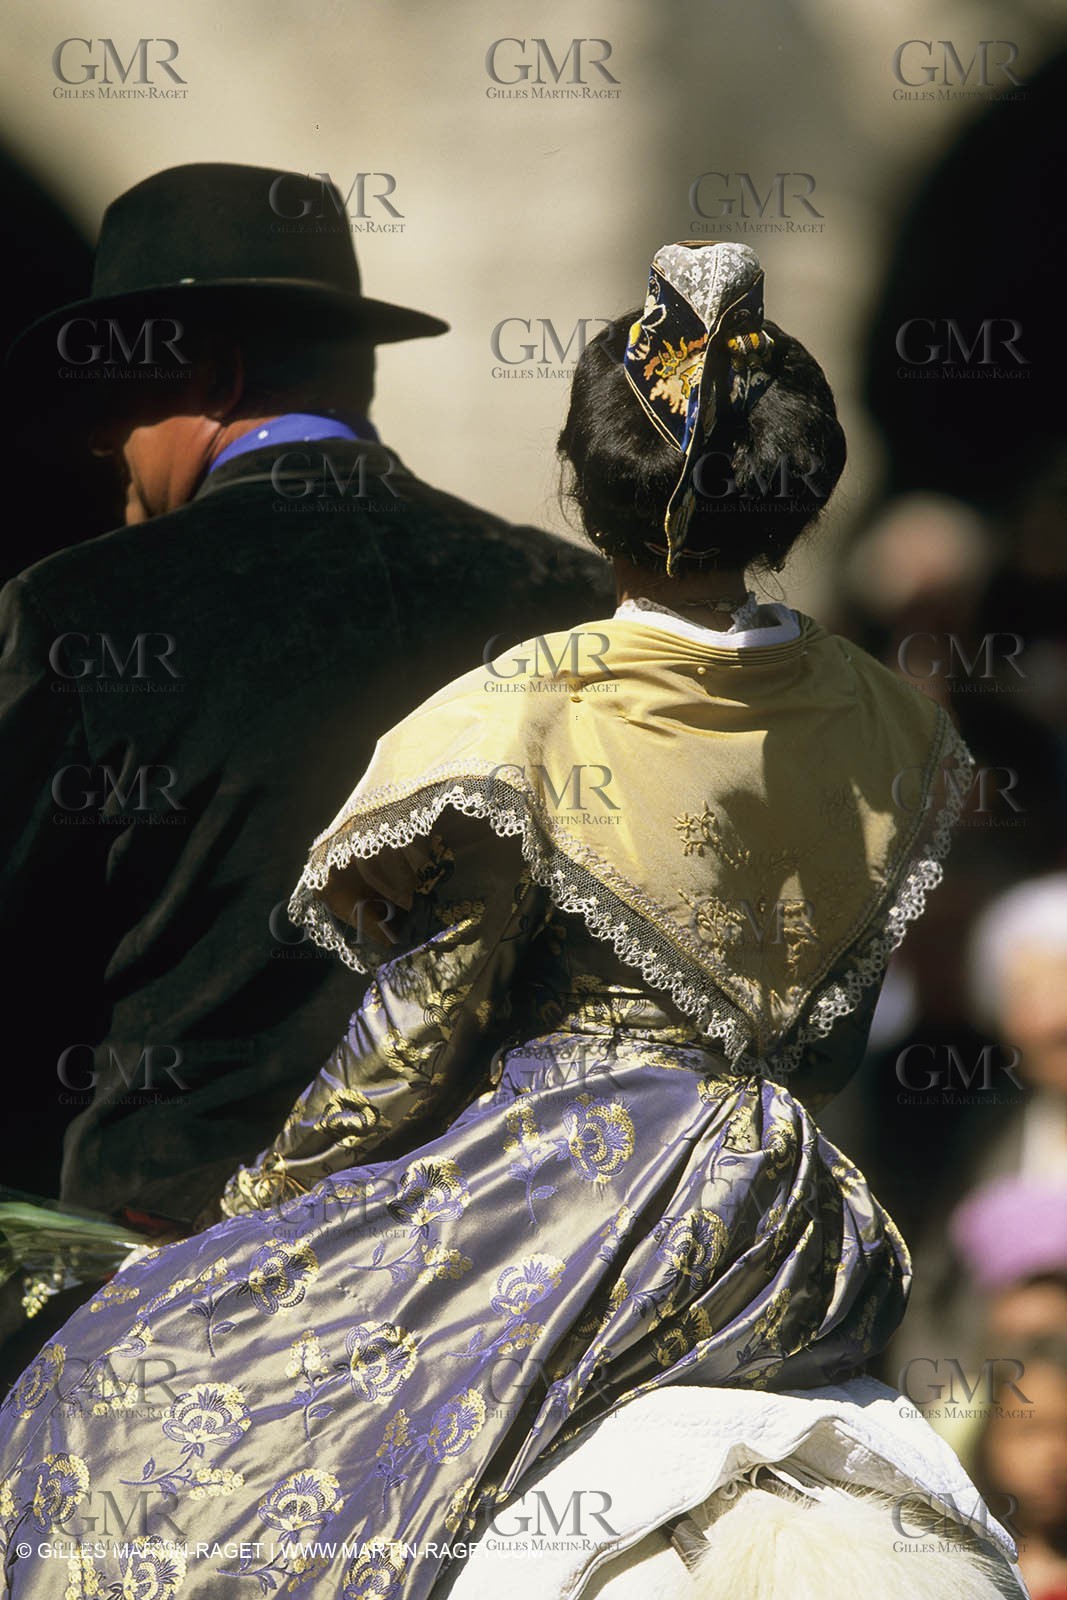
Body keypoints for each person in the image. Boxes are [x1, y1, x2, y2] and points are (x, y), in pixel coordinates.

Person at [0, 240, 973, 1600]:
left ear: (585, 484)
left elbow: (408, 1043)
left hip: (563, 1189)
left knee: (107, 1409)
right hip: (794, 1214)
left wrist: (252, 1210)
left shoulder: (518, 707)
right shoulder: (894, 726)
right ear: (798, 499)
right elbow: (824, 1031)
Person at [0, 162, 611, 1239]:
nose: (105, 440)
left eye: (123, 397)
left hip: (176, 1255)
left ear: (219, 379)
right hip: (502, 1252)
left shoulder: (78, 609)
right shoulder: (569, 599)